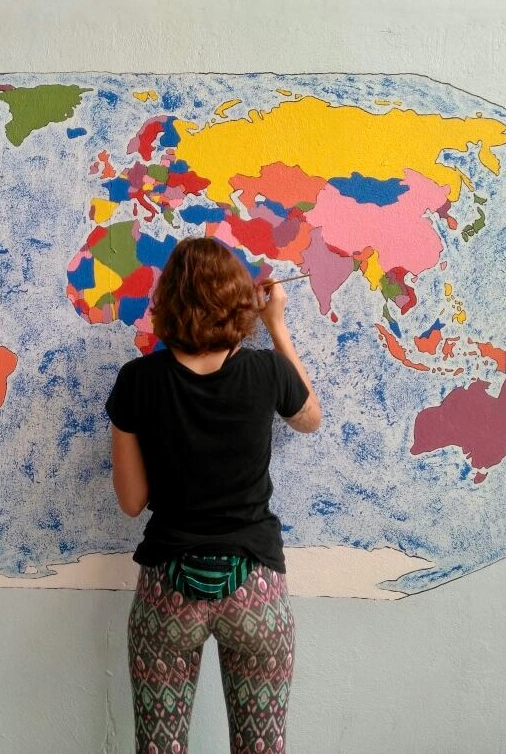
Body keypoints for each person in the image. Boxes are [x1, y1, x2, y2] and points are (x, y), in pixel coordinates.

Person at [106, 236, 322, 754]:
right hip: (256, 586)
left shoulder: (137, 381)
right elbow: (310, 417)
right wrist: (276, 328)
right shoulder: (267, 372)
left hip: (168, 589)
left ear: (169, 301)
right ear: (239, 301)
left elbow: (132, 502)